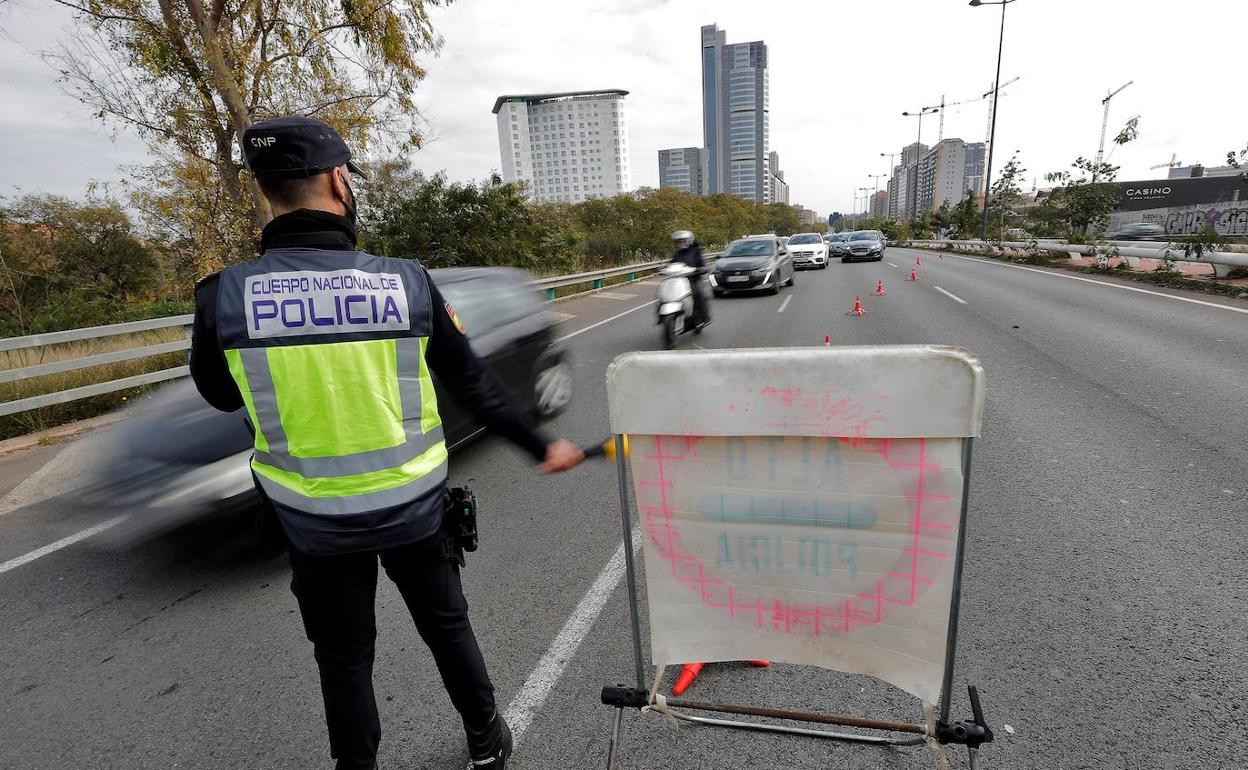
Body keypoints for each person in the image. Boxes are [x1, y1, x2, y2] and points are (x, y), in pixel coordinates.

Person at [188, 115, 584, 770]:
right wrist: (541, 445)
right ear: (339, 182)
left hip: (313, 525)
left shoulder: (222, 296)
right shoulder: (405, 282)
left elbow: (222, 396)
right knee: (446, 629)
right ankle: (487, 741)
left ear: (263, 191)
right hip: (415, 513)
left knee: (344, 662)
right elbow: (475, 384)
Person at [669, 229, 710, 328]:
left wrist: (700, 269)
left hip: (694, 279)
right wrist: (665, 269)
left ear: (689, 240)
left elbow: (703, 264)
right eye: (678, 241)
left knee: (699, 294)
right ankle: (664, 317)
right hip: (678, 280)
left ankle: (703, 318)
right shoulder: (677, 253)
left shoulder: (697, 251)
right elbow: (671, 264)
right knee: (666, 293)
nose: (680, 243)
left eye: (683, 240)